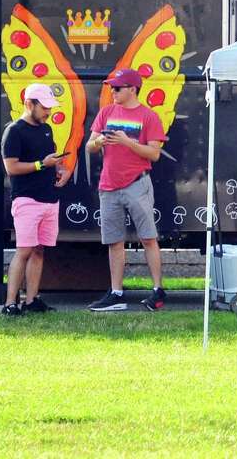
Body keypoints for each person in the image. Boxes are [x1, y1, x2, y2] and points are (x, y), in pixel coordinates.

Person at [86, 68, 168, 312]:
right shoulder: (106, 112)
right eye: (112, 87)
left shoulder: (149, 116)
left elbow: (154, 154)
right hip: (109, 185)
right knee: (114, 241)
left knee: (148, 238)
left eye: (117, 88)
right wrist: (99, 141)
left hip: (137, 183)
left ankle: (157, 290)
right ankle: (116, 293)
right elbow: (90, 145)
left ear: (133, 89)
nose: (113, 91)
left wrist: (126, 141)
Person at [0, 84, 71, 315]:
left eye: (50, 107)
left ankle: (31, 301)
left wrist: (58, 170)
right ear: (29, 104)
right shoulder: (14, 131)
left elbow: (48, 160)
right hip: (27, 200)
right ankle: (10, 303)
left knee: (39, 250)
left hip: (50, 200)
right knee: (24, 250)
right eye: (45, 107)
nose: (48, 112)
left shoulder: (47, 129)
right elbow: (11, 167)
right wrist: (43, 164)